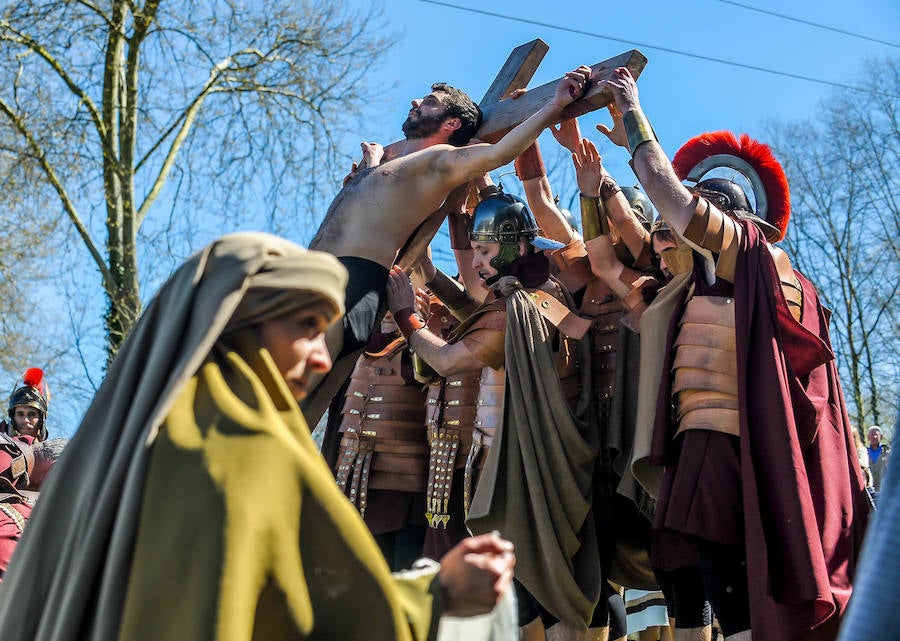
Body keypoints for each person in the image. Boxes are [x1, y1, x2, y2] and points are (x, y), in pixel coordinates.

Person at [0, 232, 516, 641]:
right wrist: (439, 593)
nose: (320, 356)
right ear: (244, 323)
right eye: (307, 327)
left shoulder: (122, 452)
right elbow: (321, 620)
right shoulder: (242, 446)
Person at [599, 67, 869, 641]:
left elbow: (670, 203)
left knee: (738, 600)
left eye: (700, 207)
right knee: (700, 587)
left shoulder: (750, 255)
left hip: (734, 445)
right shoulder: (703, 279)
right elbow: (638, 231)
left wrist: (635, 117)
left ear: (731, 218)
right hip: (706, 443)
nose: (680, 219)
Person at [302, 65, 594, 425]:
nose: (415, 101)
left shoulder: (438, 161)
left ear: (452, 123)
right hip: (309, 276)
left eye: (429, 102)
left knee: (281, 387)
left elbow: (499, 153)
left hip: (350, 286)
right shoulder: (391, 161)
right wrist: (371, 165)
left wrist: (553, 104)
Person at [387, 188, 599, 639]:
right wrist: (429, 272)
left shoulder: (515, 308)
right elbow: (477, 312)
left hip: (519, 478)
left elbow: (447, 360)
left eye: (484, 251)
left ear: (514, 246)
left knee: (532, 599)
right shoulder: (540, 294)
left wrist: (407, 316)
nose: (478, 262)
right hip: (533, 467)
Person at [3, 368, 50, 442]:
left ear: (41, 420)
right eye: (20, 414)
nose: (25, 420)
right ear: (12, 417)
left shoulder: (52, 453)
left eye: (32, 414)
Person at [866, 425, 890, 494]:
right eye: (872, 435)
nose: (874, 437)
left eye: (876, 435)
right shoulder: (864, 452)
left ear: (881, 437)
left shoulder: (887, 451)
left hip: (884, 490)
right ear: (868, 437)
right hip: (869, 491)